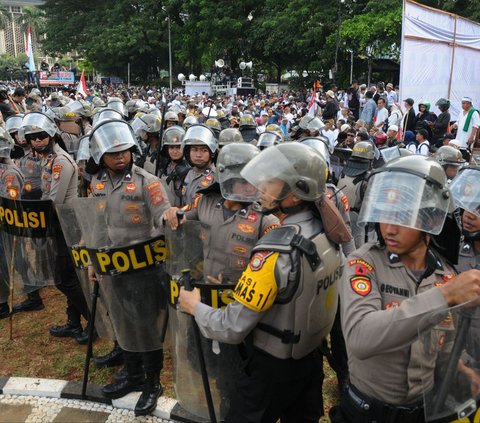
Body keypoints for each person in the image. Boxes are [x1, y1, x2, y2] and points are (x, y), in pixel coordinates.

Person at [178, 143, 342, 423]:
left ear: (294, 193)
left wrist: (195, 307)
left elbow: (231, 327)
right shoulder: (327, 233)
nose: (262, 186)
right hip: (310, 358)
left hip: (272, 366)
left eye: (273, 182)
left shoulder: (275, 251)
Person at [331, 155, 480, 423]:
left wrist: (462, 371)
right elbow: (360, 337)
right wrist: (443, 297)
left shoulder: (445, 276)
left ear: (430, 219)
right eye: (384, 215)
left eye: (402, 217)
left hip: (421, 413)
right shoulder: (363, 263)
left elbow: (443, 349)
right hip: (367, 413)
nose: (389, 228)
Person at [87, 119, 171, 416]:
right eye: (113, 153)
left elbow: (163, 214)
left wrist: (171, 217)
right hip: (112, 266)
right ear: (100, 156)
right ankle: (132, 373)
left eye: (125, 151)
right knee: (123, 321)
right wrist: (92, 260)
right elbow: (96, 225)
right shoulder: (96, 184)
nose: (121, 157)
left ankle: (152, 381)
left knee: (146, 326)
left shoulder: (149, 181)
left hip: (145, 267)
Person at [19, 112, 92, 343]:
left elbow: (53, 199)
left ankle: (93, 319)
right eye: (33, 137)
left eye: (41, 136)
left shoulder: (60, 161)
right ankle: (74, 322)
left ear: (51, 135)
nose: (37, 141)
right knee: (68, 276)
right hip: (55, 222)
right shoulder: (46, 159)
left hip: (65, 224)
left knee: (64, 278)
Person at [0, 128, 24, 318]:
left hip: (8, 224)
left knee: (16, 260)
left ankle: (32, 295)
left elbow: (12, 202)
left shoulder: (9, 173)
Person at [181, 124, 217, 205]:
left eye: (204, 150)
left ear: (212, 153)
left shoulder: (216, 178)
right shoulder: (189, 173)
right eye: (194, 149)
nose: (198, 155)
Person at [452, 96, 479, 162]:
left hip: (467, 137)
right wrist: (455, 125)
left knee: (466, 153)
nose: (462, 105)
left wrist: (472, 137)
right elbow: (458, 121)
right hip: (459, 136)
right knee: (458, 151)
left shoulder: (474, 112)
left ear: (469, 104)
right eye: (462, 103)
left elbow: (476, 125)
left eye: (464, 103)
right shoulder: (461, 112)